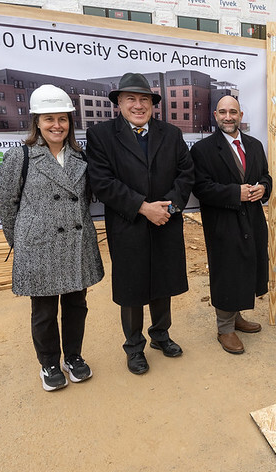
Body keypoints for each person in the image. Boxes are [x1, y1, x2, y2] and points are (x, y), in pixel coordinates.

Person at [0, 85, 104, 391]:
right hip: (38, 246)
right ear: (37, 122)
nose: (57, 125)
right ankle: (49, 363)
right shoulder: (20, 156)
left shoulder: (81, 157)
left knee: (76, 305)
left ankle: (73, 357)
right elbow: (6, 203)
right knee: (44, 311)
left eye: (63, 118)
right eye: (49, 119)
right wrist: (21, 241)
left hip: (75, 244)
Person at [86, 73, 194, 375]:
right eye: (131, 99)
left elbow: (186, 174)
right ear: (119, 103)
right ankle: (134, 347)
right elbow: (102, 182)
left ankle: (160, 335)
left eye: (144, 99)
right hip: (128, 224)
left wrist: (168, 207)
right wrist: (143, 208)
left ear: (152, 104)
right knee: (132, 289)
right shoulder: (101, 136)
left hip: (165, 221)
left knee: (163, 282)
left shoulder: (171, 134)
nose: (138, 105)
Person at [190, 96, 271, 354]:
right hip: (222, 222)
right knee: (226, 270)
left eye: (233, 112)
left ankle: (236, 317)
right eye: (223, 112)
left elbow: (265, 176)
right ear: (215, 115)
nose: (228, 117)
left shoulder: (255, 145)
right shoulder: (202, 150)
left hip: (252, 219)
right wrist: (236, 193)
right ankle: (224, 328)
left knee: (246, 266)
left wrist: (263, 188)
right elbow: (201, 188)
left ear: (240, 115)